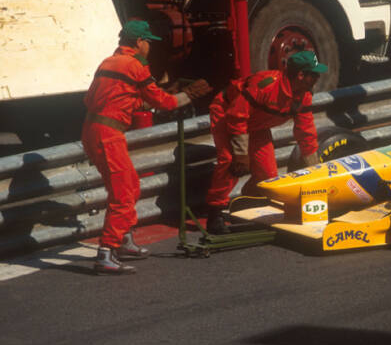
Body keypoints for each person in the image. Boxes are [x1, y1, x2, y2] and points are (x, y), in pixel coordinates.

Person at [83, 20, 210, 274]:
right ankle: (106, 252)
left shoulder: (108, 62)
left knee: (130, 185)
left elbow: (96, 99)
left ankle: (123, 240)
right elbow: (160, 101)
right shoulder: (136, 64)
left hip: (94, 130)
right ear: (139, 42)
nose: (150, 46)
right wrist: (187, 96)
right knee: (122, 193)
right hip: (108, 134)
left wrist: (143, 101)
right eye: (148, 41)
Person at [205, 51, 326, 234]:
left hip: (255, 125)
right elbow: (236, 116)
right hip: (227, 114)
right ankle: (214, 214)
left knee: (268, 175)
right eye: (314, 74)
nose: (318, 78)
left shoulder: (303, 96)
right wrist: (241, 153)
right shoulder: (266, 86)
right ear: (301, 75)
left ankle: (246, 205)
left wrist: (315, 171)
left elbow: (306, 133)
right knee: (230, 162)